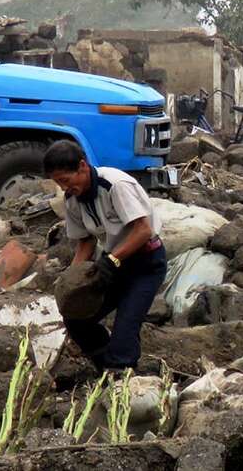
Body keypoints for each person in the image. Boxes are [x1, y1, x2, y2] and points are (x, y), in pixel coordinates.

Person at [43, 140, 167, 371]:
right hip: (113, 265)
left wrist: (111, 260)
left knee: (125, 329)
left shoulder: (115, 185)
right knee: (76, 317)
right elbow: (85, 241)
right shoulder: (72, 199)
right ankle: (105, 367)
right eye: (58, 183)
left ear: (82, 166)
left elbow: (142, 230)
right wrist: (72, 280)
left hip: (145, 264)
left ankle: (122, 373)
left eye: (65, 181)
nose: (63, 188)